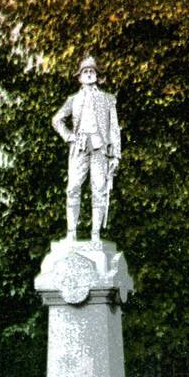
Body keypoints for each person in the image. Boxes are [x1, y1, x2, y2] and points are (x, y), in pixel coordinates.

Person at [51, 55, 121, 241]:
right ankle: (71, 234)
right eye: (85, 72)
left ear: (97, 76)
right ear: (80, 77)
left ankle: (95, 235)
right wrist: (69, 136)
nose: (89, 74)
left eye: (92, 71)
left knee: (99, 189)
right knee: (72, 188)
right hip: (79, 149)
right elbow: (57, 120)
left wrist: (116, 156)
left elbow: (114, 129)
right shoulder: (73, 99)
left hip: (100, 150)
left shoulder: (107, 99)